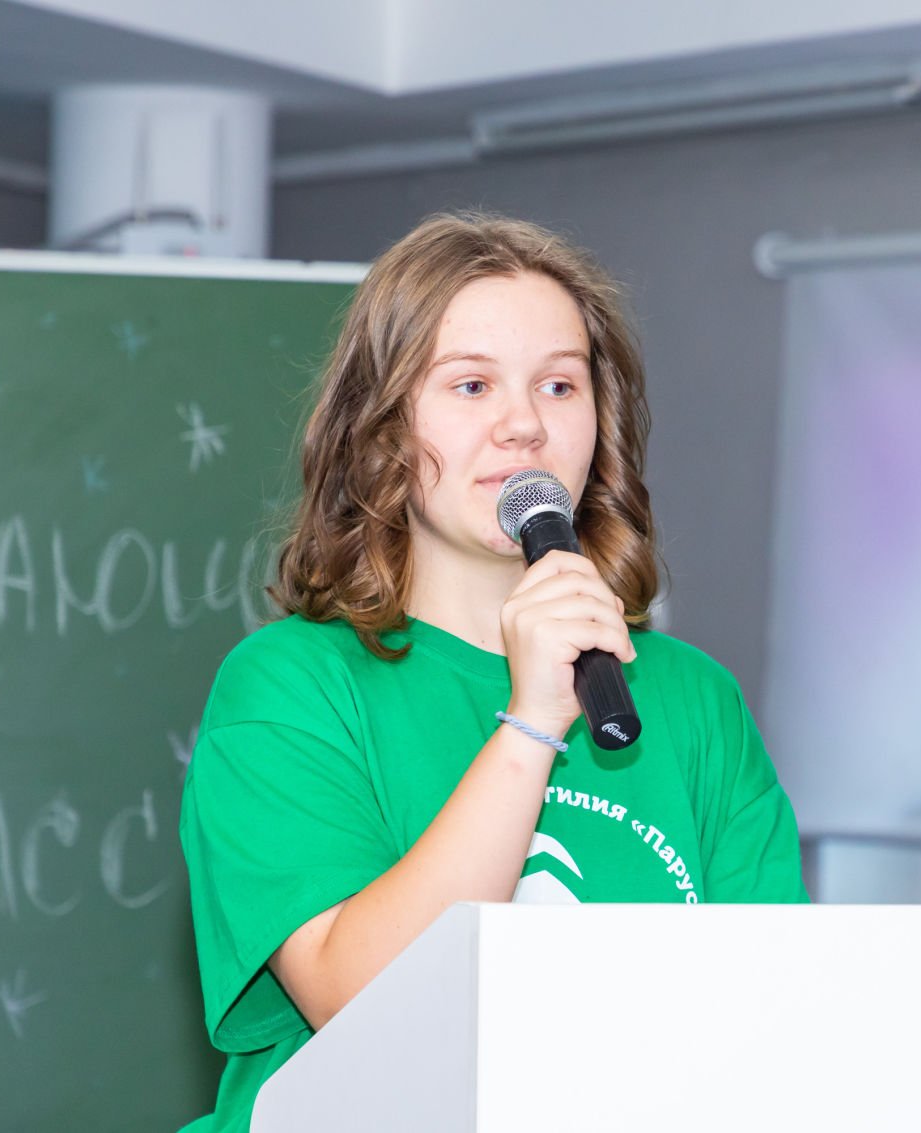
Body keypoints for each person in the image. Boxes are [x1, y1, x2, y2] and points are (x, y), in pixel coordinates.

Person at [178, 212, 807, 1132]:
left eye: (559, 385)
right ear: (383, 431)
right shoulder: (288, 688)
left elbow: (770, 1026)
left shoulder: (696, 700)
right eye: (472, 384)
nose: (524, 424)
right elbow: (365, 1004)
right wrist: (532, 721)